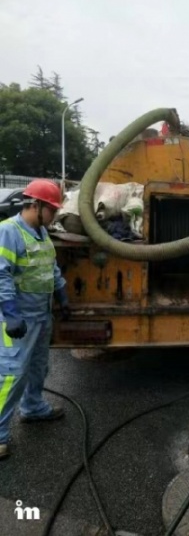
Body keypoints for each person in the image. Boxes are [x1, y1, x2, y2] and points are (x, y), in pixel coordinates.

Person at [0, 179, 70, 460]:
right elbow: (1, 273)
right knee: (12, 374)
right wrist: (10, 313)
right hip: (18, 318)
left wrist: (62, 293)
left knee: (39, 367)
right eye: (52, 210)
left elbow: (49, 267)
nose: (54, 216)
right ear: (35, 205)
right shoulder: (8, 231)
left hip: (42, 314)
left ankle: (33, 407)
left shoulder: (41, 233)